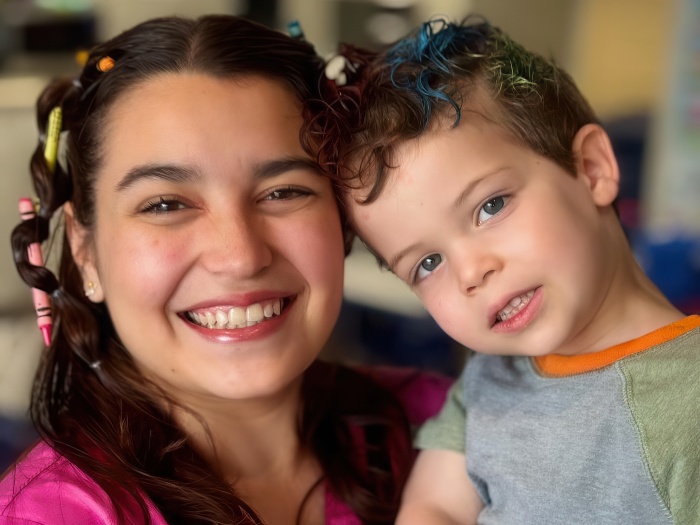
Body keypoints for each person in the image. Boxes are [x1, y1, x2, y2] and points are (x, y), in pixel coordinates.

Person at [1, 15, 451, 525]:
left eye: (284, 192)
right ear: (85, 252)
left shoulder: (448, 427)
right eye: (166, 204)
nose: (240, 256)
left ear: (343, 219)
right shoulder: (52, 514)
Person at [306, 16, 700, 525]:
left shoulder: (688, 400)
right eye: (427, 263)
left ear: (592, 169)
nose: (471, 271)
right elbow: (435, 506)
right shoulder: (490, 380)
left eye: (490, 206)